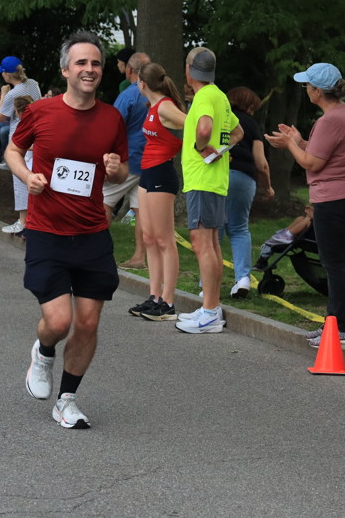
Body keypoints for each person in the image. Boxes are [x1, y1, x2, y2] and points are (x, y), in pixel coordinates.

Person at [6, 30, 128, 429]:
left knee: (88, 323)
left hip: (92, 233)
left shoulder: (111, 118)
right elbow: (13, 150)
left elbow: (121, 169)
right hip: (47, 231)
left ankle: (67, 400)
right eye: (81, 63)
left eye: (95, 63)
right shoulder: (41, 111)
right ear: (65, 71)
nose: (89, 69)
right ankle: (44, 352)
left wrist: (116, 169)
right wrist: (27, 176)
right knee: (58, 322)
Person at [265, 63, 345, 346]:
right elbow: (322, 152)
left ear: (318, 91)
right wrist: (299, 140)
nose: (305, 90)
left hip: (335, 199)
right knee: (337, 263)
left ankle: (342, 328)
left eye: (307, 85)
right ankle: (333, 323)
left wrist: (290, 144)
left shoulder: (329, 120)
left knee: (334, 264)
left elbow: (311, 162)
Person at [174, 49, 243, 334]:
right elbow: (238, 133)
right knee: (211, 243)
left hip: (202, 179)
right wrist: (220, 152)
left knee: (202, 243)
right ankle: (210, 308)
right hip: (214, 179)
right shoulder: (220, 96)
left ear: (189, 68)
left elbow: (204, 129)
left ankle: (211, 311)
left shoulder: (203, 97)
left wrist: (202, 148)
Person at [128, 62, 186, 321]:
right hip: (148, 175)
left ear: (142, 83)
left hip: (163, 174)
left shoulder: (164, 106)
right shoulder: (152, 106)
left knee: (164, 240)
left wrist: (204, 148)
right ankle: (154, 296)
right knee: (149, 237)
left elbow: (194, 125)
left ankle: (168, 302)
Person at [223, 86, 273, 298]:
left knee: (214, 230)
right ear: (248, 106)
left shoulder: (220, 117)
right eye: (253, 107)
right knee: (240, 228)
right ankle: (243, 279)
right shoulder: (252, 124)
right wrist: (268, 186)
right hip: (244, 177)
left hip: (219, 175)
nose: (253, 111)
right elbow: (261, 163)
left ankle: (206, 284)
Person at [104, 51, 151, 270]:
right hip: (149, 160)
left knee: (104, 201)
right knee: (140, 209)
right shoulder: (156, 94)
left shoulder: (129, 95)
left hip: (128, 159)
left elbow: (113, 126)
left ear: (130, 70)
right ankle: (139, 257)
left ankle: (99, 252)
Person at [0, 57, 41, 169]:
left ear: (7, 74)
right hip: (35, 134)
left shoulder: (12, 94)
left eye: (2, 72)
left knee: (20, 174)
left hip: (19, 137)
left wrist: (3, 94)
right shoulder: (33, 83)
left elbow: (0, 117)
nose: (2, 75)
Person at [3, 96, 35, 238]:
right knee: (25, 193)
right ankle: (24, 223)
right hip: (26, 161)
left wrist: (22, 147)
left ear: (19, 112)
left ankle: (26, 224)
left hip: (27, 162)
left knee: (26, 193)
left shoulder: (26, 124)